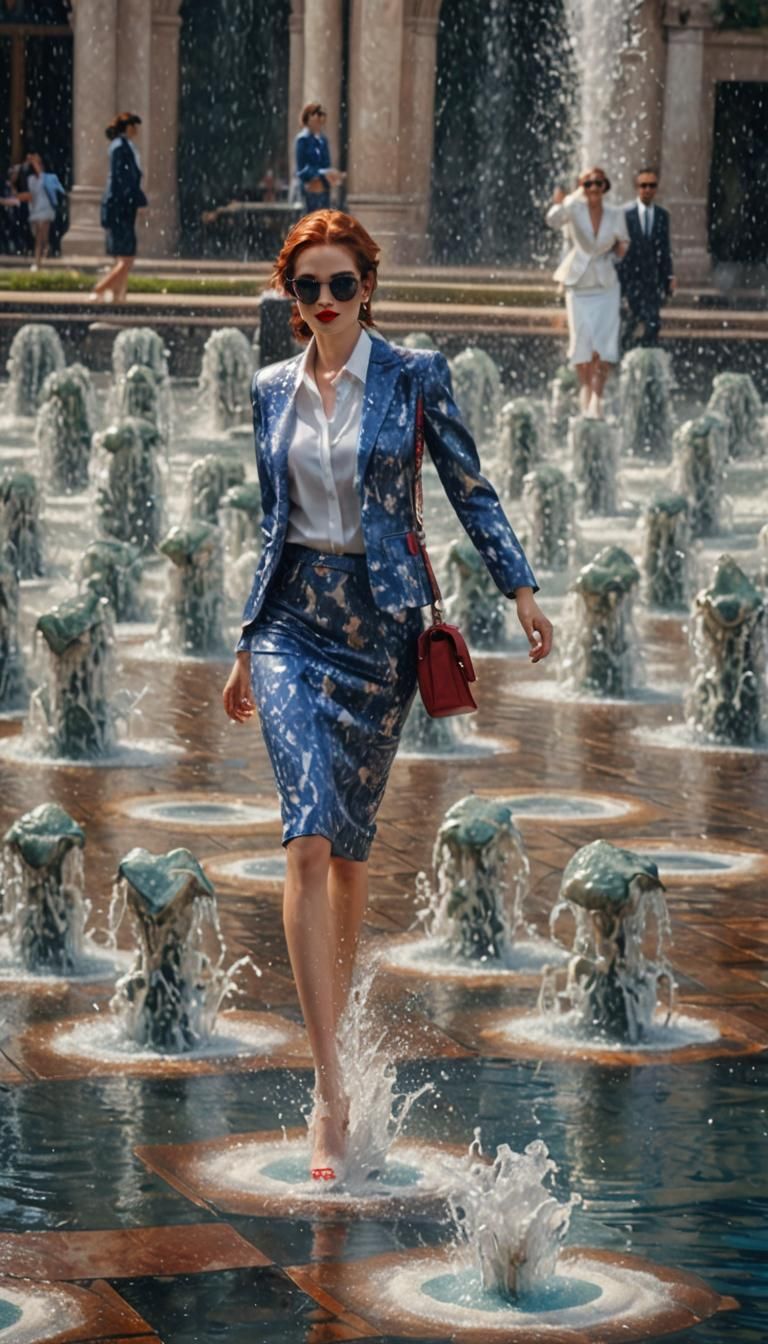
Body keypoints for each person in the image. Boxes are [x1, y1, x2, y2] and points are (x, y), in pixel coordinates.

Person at [221, 209, 553, 1184]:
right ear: (290, 301)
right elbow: (272, 524)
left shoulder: (414, 377)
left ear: (367, 288)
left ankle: (340, 1026)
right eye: (306, 288)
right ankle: (330, 1090)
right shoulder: (269, 390)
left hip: (381, 638)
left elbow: (470, 490)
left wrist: (521, 592)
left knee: (353, 855)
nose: (324, 301)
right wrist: (246, 643)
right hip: (291, 624)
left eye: (340, 285)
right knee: (308, 837)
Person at [546, 167, 629, 419]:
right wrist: (573, 195)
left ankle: (597, 397)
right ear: (582, 185)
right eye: (588, 183)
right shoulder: (574, 207)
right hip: (579, 282)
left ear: (605, 186)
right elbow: (552, 219)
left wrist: (618, 249)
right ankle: (585, 389)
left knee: (603, 344)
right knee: (581, 342)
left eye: (598, 183)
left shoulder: (615, 213)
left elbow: (623, 244)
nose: (593, 188)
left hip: (605, 285)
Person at [90, 112, 148, 304]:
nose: (137, 129)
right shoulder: (119, 148)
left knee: (124, 257)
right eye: (134, 125)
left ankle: (118, 297)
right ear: (128, 127)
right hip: (119, 207)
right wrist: (137, 200)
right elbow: (121, 180)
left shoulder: (125, 147)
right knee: (127, 258)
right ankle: (99, 290)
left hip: (123, 206)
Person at [618, 168, 676, 349]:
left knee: (653, 324)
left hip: (652, 280)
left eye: (652, 185)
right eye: (644, 185)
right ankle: (625, 358)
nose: (648, 189)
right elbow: (618, 250)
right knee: (629, 324)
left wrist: (669, 277)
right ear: (637, 187)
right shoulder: (625, 214)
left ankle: (644, 357)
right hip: (630, 279)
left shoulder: (662, 215)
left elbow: (665, 249)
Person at [14, 152, 64, 270]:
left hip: (46, 210)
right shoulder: (31, 179)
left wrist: (33, 159)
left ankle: (38, 262)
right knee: (39, 236)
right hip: (35, 211)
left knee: (40, 237)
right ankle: (46, 250)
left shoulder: (46, 178)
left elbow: (40, 175)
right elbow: (29, 194)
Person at [295, 103, 344, 215]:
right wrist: (321, 173)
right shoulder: (302, 139)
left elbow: (326, 164)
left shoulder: (323, 140)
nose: (320, 118)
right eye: (316, 114)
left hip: (323, 191)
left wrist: (332, 175)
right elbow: (301, 169)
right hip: (309, 192)